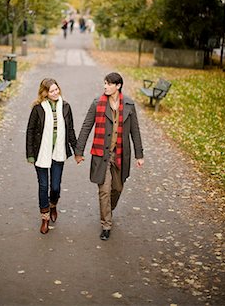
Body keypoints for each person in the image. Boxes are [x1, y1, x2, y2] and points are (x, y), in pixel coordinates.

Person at [75, 72, 144, 241]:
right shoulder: (97, 103)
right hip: (101, 154)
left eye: (108, 84)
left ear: (118, 86)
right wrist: (79, 151)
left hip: (120, 154)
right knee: (104, 190)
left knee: (117, 189)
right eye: (104, 83)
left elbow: (135, 131)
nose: (105, 86)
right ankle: (106, 224)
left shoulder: (128, 105)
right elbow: (86, 127)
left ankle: (108, 210)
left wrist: (139, 154)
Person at [26, 78, 77, 234]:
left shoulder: (66, 107)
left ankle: (53, 204)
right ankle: (45, 217)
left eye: (57, 89)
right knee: (43, 186)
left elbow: (70, 131)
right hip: (41, 152)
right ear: (45, 93)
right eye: (52, 91)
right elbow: (30, 131)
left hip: (58, 151)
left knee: (55, 186)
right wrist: (30, 154)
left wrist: (77, 151)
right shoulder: (38, 109)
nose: (55, 93)